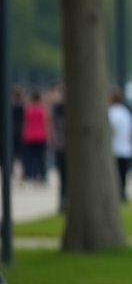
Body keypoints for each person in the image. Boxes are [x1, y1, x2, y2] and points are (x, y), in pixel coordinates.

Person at [108, 87, 132, 202]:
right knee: (123, 175)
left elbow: (111, 130)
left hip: (116, 148)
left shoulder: (111, 113)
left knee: (116, 175)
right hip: (126, 148)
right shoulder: (125, 112)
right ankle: (123, 195)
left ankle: (118, 195)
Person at [21, 88, 52, 184]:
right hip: (41, 136)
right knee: (41, 157)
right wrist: (50, 137)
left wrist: (23, 135)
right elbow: (46, 124)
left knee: (29, 157)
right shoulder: (43, 110)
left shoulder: (27, 110)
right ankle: (41, 175)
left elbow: (25, 124)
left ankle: (30, 175)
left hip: (29, 136)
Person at [50, 83, 66, 212]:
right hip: (62, 145)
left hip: (61, 145)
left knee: (63, 176)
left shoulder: (57, 109)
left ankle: (63, 201)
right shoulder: (57, 108)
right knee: (63, 176)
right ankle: (63, 201)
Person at [10, 86, 25, 183]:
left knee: (12, 154)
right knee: (22, 155)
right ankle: (22, 174)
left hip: (12, 132)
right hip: (22, 132)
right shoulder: (24, 107)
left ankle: (12, 172)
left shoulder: (10, 107)